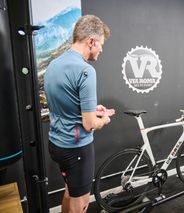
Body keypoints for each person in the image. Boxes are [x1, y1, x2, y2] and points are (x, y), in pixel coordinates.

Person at [44, 15, 115, 213]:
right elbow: (89, 124)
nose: (101, 49)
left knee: (70, 191)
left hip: (56, 145)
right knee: (81, 201)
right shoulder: (85, 70)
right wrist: (104, 119)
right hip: (76, 149)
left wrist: (92, 109)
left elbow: (65, 105)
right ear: (91, 41)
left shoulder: (53, 65)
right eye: (101, 44)